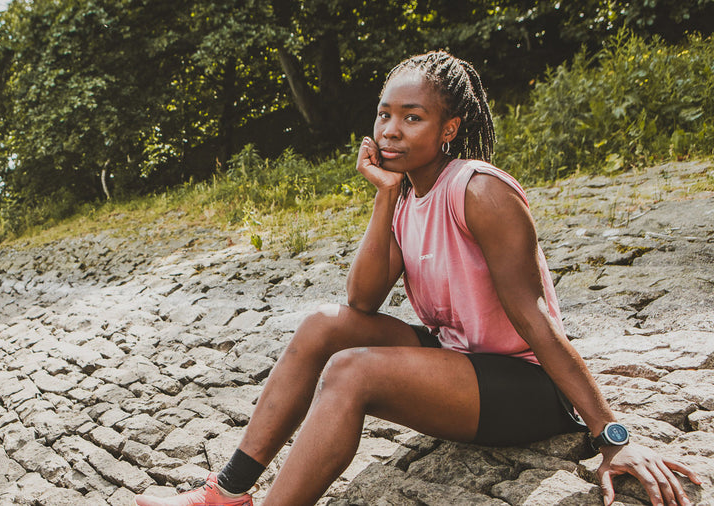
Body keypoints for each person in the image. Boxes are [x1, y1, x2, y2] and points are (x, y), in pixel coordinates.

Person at [134, 51, 702, 506]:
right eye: (385, 114)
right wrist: (383, 197)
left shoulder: (480, 192)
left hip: (526, 385)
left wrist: (613, 436)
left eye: (413, 117)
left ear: (449, 127)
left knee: (351, 372)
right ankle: (227, 493)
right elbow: (360, 300)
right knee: (321, 328)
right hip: (460, 357)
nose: (392, 130)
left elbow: (536, 319)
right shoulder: (407, 192)